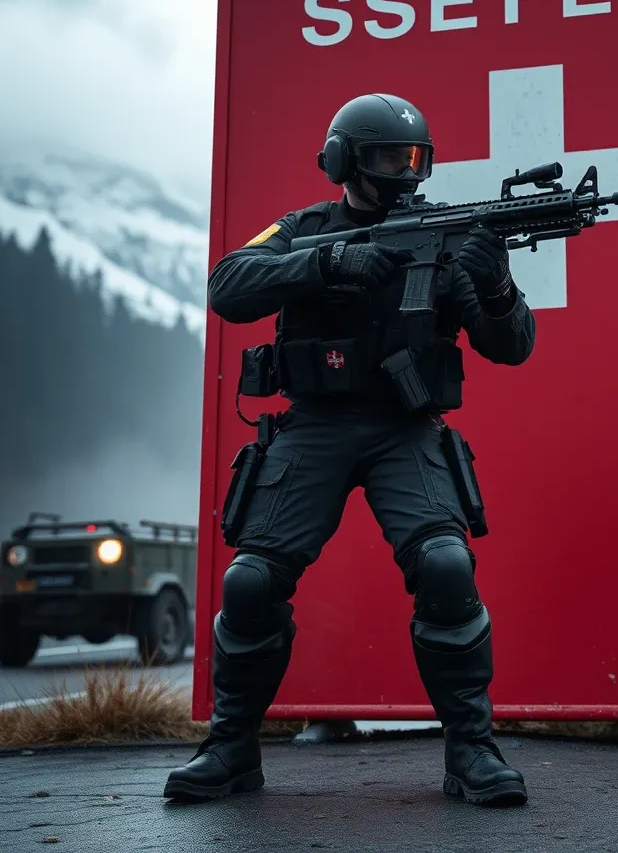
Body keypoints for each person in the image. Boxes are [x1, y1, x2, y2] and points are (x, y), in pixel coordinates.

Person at [163, 93, 535, 807]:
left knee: (446, 564)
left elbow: (511, 347)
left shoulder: (443, 235)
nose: (405, 171)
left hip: (406, 426)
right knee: (249, 582)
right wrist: (328, 263)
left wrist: (495, 282)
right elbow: (226, 285)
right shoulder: (305, 229)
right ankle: (230, 750)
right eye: (389, 157)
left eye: (415, 158)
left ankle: (473, 751)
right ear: (344, 161)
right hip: (315, 426)